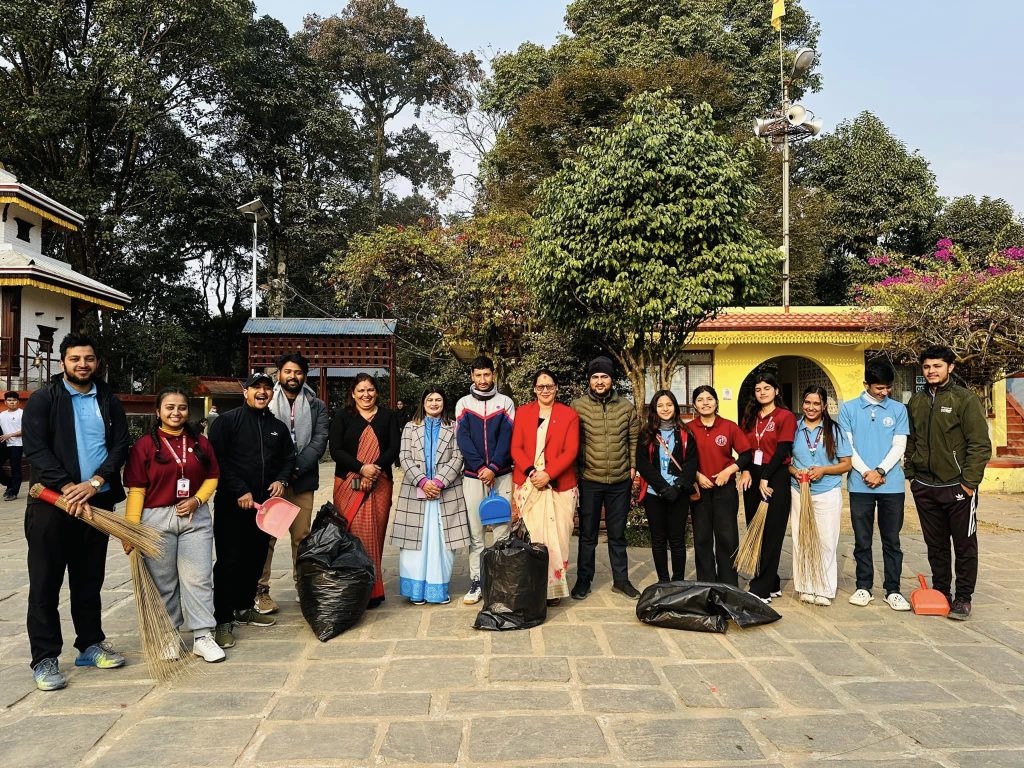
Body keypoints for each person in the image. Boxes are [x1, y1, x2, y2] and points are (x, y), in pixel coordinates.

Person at [22, 333, 130, 691]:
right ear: (63, 362)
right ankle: (45, 658)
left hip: (97, 502)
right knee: (45, 583)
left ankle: (89, 644)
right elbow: (36, 450)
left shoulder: (108, 399)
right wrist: (68, 486)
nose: (82, 364)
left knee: (89, 579)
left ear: (96, 362)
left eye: (88, 358)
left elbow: (120, 446)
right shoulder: (43, 400)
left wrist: (96, 482)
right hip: (52, 503)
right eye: (75, 359)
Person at [122, 388, 224, 662]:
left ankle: (203, 635)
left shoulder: (201, 443)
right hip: (155, 519)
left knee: (199, 578)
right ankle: (169, 634)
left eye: (181, 407)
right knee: (163, 582)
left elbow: (213, 477)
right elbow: (136, 489)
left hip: (195, 518)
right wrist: (131, 529)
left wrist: (197, 500)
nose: (176, 412)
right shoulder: (144, 445)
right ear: (158, 412)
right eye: (169, 407)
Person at [208, 373, 295, 649]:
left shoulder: (277, 427)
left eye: (267, 388)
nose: (262, 392)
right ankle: (223, 619)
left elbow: (288, 458)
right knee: (229, 562)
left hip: (265, 508)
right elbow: (217, 460)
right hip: (232, 504)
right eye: (256, 387)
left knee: (256, 558)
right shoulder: (227, 422)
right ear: (245, 391)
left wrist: (281, 481)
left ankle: (245, 607)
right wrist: (238, 489)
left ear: (272, 394)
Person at [906, 345, 992, 621]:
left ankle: (964, 597)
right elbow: (911, 440)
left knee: (964, 545)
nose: (931, 371)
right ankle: (942, 591)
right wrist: (912, 474)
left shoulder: (964, 399)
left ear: (950, 368)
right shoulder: (916, 401)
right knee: (936, 544)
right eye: (927, 366)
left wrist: (968, 483)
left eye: (937, 366)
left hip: (957, 487)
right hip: (925, 487)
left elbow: (980, 444)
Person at [255, 353, 330, 615]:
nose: (292, 376)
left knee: (301, 536)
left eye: (297, 372)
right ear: (279, 374)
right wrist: (280, 473)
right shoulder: (266, 402)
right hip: (272, 481)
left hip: (302, 479)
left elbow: (319, 440)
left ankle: (303, 585)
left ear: (304, 376)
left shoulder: (316, 404)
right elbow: (261, 440)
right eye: (287, 371)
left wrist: (294, 468)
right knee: (268, 537)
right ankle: (261, 590)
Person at [839, 360, 912, 611]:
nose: (885, 392)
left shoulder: (898, 409)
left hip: (891, 485)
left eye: (888, 388)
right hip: (860, 485)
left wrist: (880, 471)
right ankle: (864, 586)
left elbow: (899, 445)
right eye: (879, 388)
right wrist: (866, 472)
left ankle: (893, 589)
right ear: (866, 385)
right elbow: (848, 448)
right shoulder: (848, 409)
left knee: (892, 540)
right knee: (862, 539)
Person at [391, 387, 471, 604]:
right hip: (415, 491)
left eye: (438, 399)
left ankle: (438, 589)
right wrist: (423, 481)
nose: (434, 403)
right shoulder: (410, 427)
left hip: (445, 493)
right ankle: (416, 591)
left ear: (444, 403)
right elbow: (404, 457)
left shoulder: (454, 427)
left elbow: (458, 456)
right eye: (430, 399)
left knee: (442, 543)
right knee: (414, 543)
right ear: (423, 402)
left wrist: (438, 482)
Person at [571, 356, 640, 600]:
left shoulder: (626, 407)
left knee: (617, 534)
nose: (600, 381)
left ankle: (621, 580)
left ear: (612, 379)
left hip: (620, 480)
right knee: (587, 535)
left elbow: (634, 439)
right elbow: (572, 441)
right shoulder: (577, 406)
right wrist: (577, 473)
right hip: (590, 479)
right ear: (589, 380)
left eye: (604, 376)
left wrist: (633, 467)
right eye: (595, 377)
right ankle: (583, 580)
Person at [330, 373, 400, 609]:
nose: (366, 394)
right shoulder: (343, 416)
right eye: (360, 390)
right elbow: (336, 450)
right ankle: (353, 587)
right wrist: (361, 468)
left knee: (375, 534)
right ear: (353, 393)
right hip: (349, 483)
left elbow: (394, 448)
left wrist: (374, 470)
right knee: (352, 534)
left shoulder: (388, 416)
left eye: (370, 390)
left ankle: (373, 589)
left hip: (380, 483)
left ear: (376, 392)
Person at [510, 369, 579, 605]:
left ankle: (554, 588)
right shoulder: (522, 413)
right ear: (534, 389)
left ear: (556, 388)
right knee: (533, 536)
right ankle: (534, 585)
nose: (545, 391)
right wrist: (532, 472)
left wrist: (548, 473)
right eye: (540, 387)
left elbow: (571, 450)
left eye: (549, 386)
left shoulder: (568, 415)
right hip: (529, 483)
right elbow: (516, 447)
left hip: (559, 485)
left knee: (558, 536)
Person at [455, 356, 515, 605]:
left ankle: (501, 579)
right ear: (472, 376)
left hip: (501, 475)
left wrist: (493, 467)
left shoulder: (506, 403)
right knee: (476, 531)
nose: (482, 380)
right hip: (472, 475)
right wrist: (481, 467)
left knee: (502, 529)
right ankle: (478, 580)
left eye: (487, 375)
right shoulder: (463, 404)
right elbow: (464, 439)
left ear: (494, 375)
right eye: (478, 375)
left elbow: (507, 438)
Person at [788, 386, 852, 606]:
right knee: (801, 538)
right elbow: (786, 462)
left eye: (816, 403)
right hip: (799, 491)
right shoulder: (793, 428)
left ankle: (823, 588)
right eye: (807, 402)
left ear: (824, 406)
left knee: (826, 540)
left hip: (827, 492)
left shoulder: (834, 430)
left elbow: (846, 464)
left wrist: (824, 470)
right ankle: (805, 586)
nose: (811, 407)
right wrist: (796, 472)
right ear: (802, 403)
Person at [739, 372, 796, 604]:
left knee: (772, 532)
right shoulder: (750, 417)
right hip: (752, 476)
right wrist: (744, 470)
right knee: (756, 530)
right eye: (758, 389)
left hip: (775, 476)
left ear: (776, 391)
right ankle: (771, 581)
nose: (762, 393)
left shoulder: (785, 416)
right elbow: (744, 449)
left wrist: (766, 476)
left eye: (766, 388)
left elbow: (783, 450)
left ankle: (761, 588)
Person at [690, 385, 752, 586]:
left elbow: (745, 454)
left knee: (727, 538)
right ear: (694, 405)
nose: (705, 403)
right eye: (700, 399)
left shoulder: (729, 426)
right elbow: (682, 459)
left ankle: (728, 585)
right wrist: (697, 475)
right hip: (699, 490)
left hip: (724, 491)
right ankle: (706, 585)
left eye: (709, 399)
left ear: (716, 402)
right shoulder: (689, 429)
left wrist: (729, 471)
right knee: (702, 539)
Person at [635, 390, 698, 583]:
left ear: (675, 407)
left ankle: (678, 579)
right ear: (654, 408)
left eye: (669, 405)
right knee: (659, 539)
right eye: (660, 405)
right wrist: (663, 488)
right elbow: (642, 463)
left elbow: (691, 463)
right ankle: (663, 580)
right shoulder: (647, 433)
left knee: (678, 540)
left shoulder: (686, 433)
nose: (665, 409)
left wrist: (677, 488)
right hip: (655, 494)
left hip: (679, 494)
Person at [0, 390, 24, 500]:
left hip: (17, 445)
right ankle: (9, 483)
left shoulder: (22, 413)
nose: (12, 402)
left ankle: (13, 492)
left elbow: (27, 430)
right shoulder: (2, 415)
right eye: (9, 400)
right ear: (5, 402)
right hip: (4, 445)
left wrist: (10, 435)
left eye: (14, 400)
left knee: (15, 469)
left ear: (18, 402)